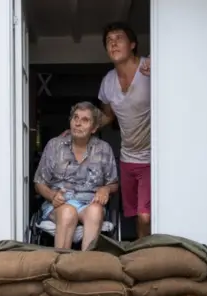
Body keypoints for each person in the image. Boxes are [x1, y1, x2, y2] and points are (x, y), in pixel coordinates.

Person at [34, 101, 119, 251]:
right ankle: (61, 265)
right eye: (75, 118)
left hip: (89, 203)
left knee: (96, 210)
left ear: (94, 128)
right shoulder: (55, 146)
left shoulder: (103, 149)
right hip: (59, 205)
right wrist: (52, 195)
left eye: (85, 120)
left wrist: (105, 189)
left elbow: (114, 183)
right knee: (68, 212)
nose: (78, 123)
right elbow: (39, 183)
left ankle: (85, 266)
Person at [98, 21, 151, 239]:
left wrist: (161, 63)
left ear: (132, 44)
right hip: (128, 157)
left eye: (119, 38)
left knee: (144, 215)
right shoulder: (108, 81)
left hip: (152, 157)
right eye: (109, 41)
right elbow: (107, 117)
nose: (113, 43)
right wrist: (77, 130)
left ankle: (145, 262)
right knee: (133, 215)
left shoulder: (149, 67)